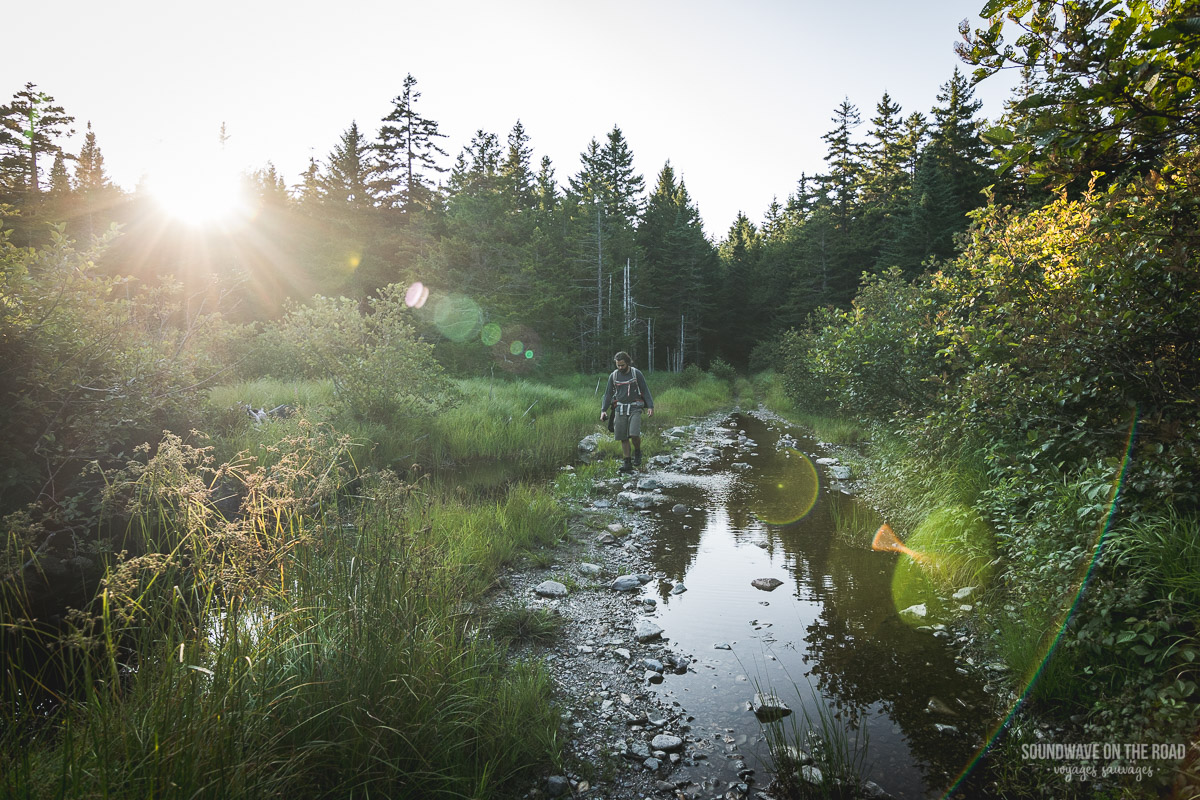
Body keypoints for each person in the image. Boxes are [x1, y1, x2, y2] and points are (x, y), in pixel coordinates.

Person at [600, 351, 654, 473]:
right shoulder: (613, 376)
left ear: (628, 363)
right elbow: (608, 394)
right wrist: (603, 410)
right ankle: (627, 462)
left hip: (635, 407)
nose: (620, 368)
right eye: (618, 365)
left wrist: (650, 406)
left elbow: (645, 390)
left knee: (634, 433)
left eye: (622, 365)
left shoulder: (636, 373)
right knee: (622, 437)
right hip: (620, 408)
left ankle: (638, 452)